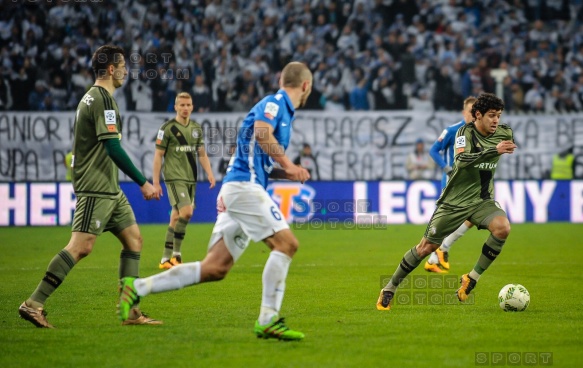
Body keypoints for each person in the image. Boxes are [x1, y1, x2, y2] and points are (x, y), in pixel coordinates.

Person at [118, 61, 313, 340]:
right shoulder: (276, 102)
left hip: (238, 188)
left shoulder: (282, 110)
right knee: (287, 244)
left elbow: (257, 153)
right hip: (245, 188)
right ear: (305, 86)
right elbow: (261, 132)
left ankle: (136, 288)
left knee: (215, 268)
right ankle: (268, 319)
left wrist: (284, 172)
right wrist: (289, 163)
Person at [18, 45, 161, 328]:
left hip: (110, 189)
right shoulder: (102, 100)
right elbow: (112, 147)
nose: (126, 71)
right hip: (96, 187)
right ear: (111, 69)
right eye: (122, 65)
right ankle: (33, 304)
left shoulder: (92, 98)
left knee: (134, 240)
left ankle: (130, 312)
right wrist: (143, 182)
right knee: (81, 246)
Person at [377, 93, 517, 311]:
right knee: (426, 248)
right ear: (477, 115)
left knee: (502, 228)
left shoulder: (504, 131)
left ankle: (471, 278)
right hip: (454, 202)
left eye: (498, 115)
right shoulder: (463, 133)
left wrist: (496, 148)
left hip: (482, 200)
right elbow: (461, 161)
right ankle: (390, 288)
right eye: (491, 116)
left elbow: (503, 144)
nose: (496, 120)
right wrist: (493, 151)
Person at [153, 92, 216, 270]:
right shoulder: (167, 128)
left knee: (176, 216)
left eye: (188, 105)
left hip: (190, 179)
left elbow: (201, 154)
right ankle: (177, 255)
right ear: (175, 107)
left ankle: (166, 258)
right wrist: (156, 182)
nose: (185, 108)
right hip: (174, 177)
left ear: (192, 107)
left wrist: (210, 173)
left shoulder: (196, 128)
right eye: (182, 105)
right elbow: (158, 156)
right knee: (187, 212)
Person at [424, 96, 477, 274]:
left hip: (468, 185)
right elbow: (433, 150)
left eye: (477, 113)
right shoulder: (452, 130)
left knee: (468, 218)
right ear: (464, 112)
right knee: (467, 217)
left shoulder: (478, 133)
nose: (474, 116)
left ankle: (434, 258)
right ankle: (441, 250)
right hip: (452, 184)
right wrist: (447, 169)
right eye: (471, 112)